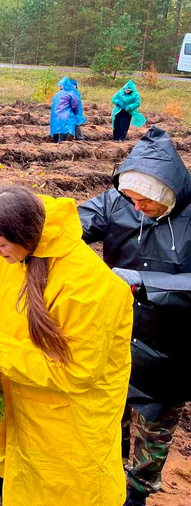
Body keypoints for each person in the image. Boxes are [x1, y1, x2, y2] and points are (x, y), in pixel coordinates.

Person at [0, 185, 134, 505]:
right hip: (23, 410)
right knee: (18, 483)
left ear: (24, 236)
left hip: (69, 432)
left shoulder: (90, 288)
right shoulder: (15, 252)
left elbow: (74, 372)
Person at [78, 127, 190, 506]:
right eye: (131, 199)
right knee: (109, 420)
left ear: (167, 196)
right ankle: (105, 483)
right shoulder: (117, 203)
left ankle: (138, 493)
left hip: (169, 352)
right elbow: (72, 227)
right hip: (115, 340)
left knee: (152, 433)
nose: (136, 208)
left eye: (145, 202)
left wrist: (143, 280)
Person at [49, 76, 80, 143]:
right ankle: (80, 139)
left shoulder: (58, 94)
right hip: (66, 117)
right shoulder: (71, 94)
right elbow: (75, 106)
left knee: (56, 135)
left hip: (55, 118)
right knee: (63, 139)